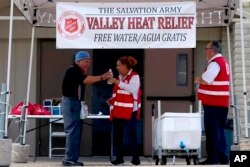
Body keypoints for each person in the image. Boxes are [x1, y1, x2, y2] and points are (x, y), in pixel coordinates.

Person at [61, 51, 112, 166]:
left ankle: (72, 158)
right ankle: (69, 159)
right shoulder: (73, 70)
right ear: (78, 61)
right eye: (86, 61)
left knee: (75, 132)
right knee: (72, 131)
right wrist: (102, 77)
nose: (88, 64)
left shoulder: (76, 72)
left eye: (89, 62)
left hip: (74, 103)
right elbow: (86, 80)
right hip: (71, 102)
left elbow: (84, 79)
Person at [195, 41, 230, 165]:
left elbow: (207, 80)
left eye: (206, 48)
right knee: (219, 131)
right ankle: (223, 157)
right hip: (220, 103)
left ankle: (213, 158)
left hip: (213, 103)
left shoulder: (215, 63)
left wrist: (198, 79)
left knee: (212, 131)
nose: (205, 51)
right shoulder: (223, 62)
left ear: (213, 50)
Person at [107, 56, 142, 166]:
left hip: (131, 110)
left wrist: (117, 82)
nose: (117, 67)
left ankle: (135, 158)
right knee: (117, 135)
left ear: (125, 66)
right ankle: (119, 158)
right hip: (119, 110)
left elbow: (132, 89)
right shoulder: (120, 77)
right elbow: (120, 94)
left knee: (131, 134)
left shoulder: (135, 76)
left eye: (119, 65)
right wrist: (112, 100)